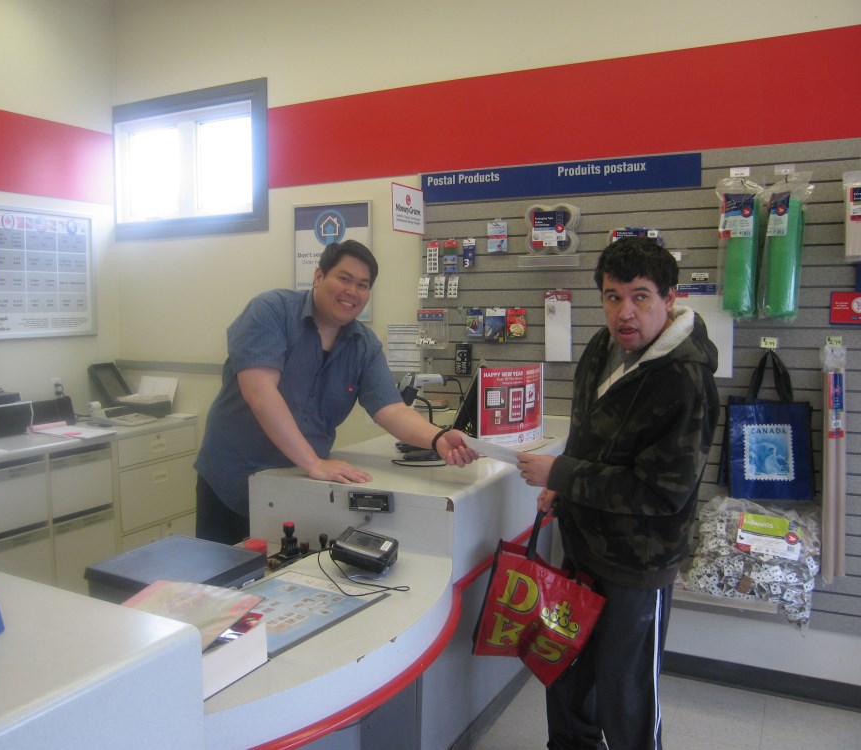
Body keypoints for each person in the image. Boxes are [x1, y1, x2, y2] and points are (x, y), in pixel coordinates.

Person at [516, 236, 720, 750]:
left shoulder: (685, 381)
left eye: (640, 296)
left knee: (626, 695)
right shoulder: (603, 347)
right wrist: (563, 492)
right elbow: (589, 438)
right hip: (583, 546)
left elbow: (660, 494)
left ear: (669, 298)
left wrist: (561, 474)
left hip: (637, 563)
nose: (624, 312)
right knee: (565, 670)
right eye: (612, 297)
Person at [195, 239, 477, 545]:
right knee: (224, 582)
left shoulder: (364, 345)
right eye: (344, 278)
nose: (352, 292)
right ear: (318, 276)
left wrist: (437, 439)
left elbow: (390, 409)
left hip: (297, 485)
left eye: (363, 285)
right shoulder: (270, 311)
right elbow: (260, 393)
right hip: (234, 482)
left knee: (284, 577)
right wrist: (313, 463)